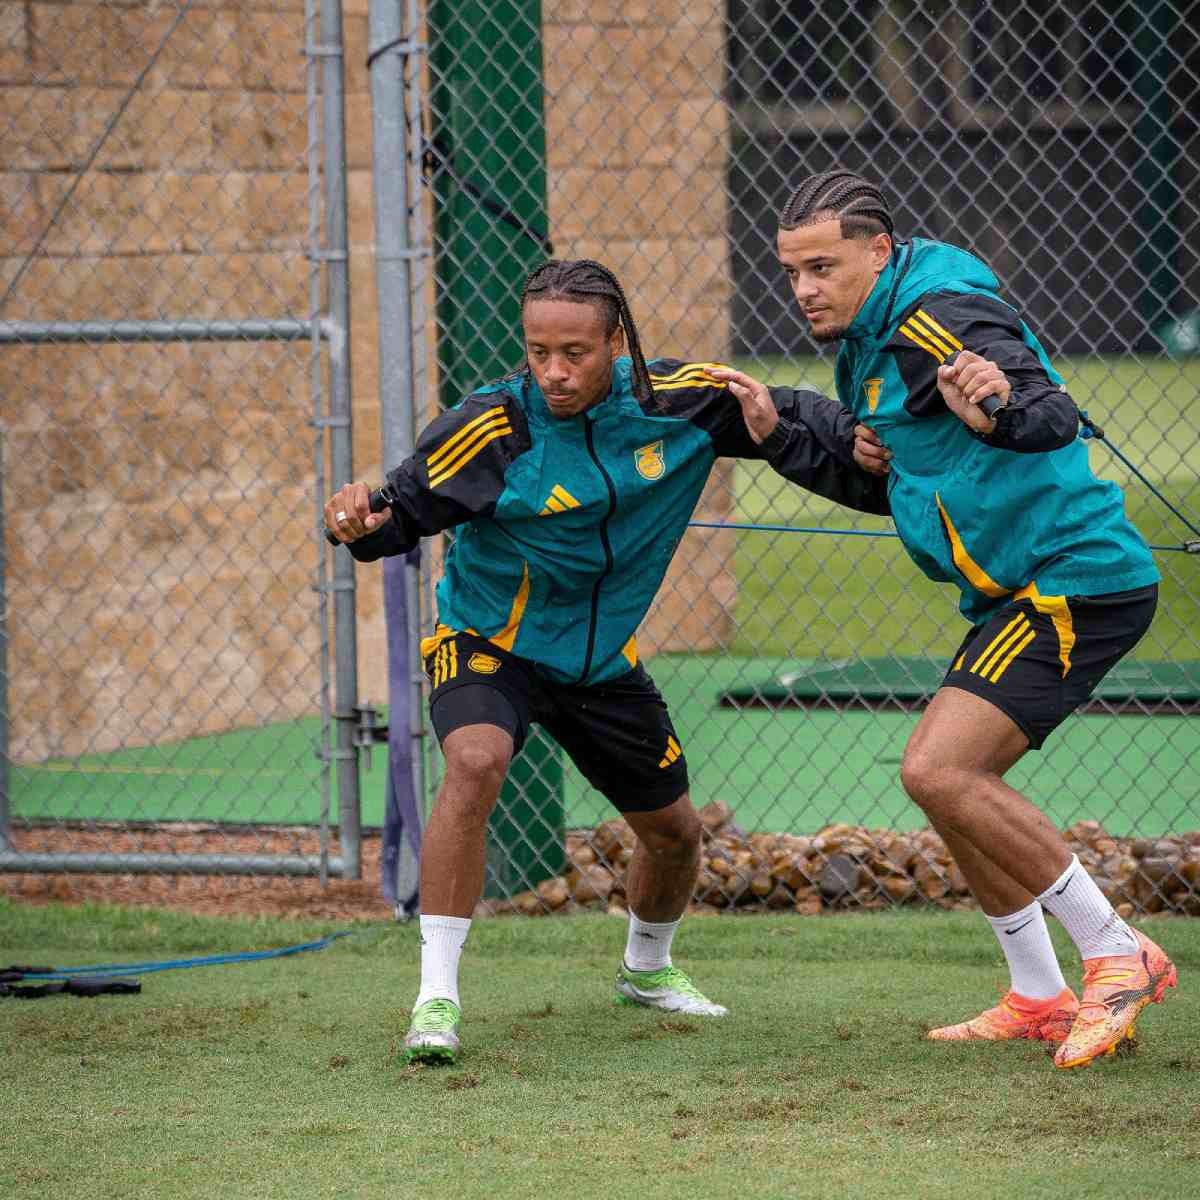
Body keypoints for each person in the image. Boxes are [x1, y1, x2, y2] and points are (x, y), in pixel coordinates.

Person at [326, 258, 889, 1065]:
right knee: (476, 762)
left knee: (674, 835)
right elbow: (402, 507)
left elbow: (784, 414)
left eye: (574, 353)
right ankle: (435, 999)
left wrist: (861, 443)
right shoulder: (493, 427)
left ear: (616, 342)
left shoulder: (682, 402)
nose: (552, 372)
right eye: (537, 351)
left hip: (598, 666)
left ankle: (645, 971)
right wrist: (355, 520)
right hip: (490, 644)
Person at [711, 170, 1177, 1071]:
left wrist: (999, 407)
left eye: (822, 266)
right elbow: (892, 482)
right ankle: (1038, 995)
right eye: (791, 271)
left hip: (1077, 578)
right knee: (950, 786)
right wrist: (777, 436)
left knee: (938, 769)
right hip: (1017, 592)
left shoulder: (942, 315)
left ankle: (1119, 952)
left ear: (877, 252)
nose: (804, 287)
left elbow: (1046, 413)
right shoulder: (868, 335)